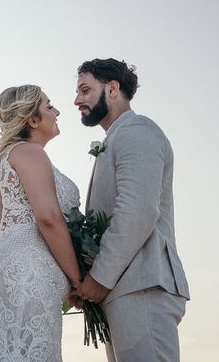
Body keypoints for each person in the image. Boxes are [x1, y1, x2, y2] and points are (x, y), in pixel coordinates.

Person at [74, 58, 190, 361]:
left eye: (85, 90)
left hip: (144, 287)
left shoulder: (138, 131)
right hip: (125, 288)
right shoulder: (115, 138)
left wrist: (99, 278)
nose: (77, 100)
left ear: (112, 88)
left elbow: (137, 212)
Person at [0, 85, 81, 362]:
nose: (57, 112)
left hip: (5, 272)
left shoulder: (6, 159)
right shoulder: (30, 153)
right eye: (49, 106)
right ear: (32, 120)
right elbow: (49, 218)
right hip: (28, 277)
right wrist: (78, 280)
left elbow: (2, 228)